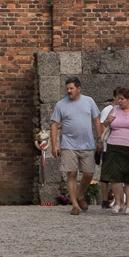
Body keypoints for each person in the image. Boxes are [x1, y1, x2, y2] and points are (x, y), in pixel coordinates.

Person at [50, 77, 102, 215]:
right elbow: (54, 125)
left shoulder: (89, 101)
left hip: (87, 144)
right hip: (69, 144)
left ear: (79, 88)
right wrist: (54, 145)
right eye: (67, 88)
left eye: (71, 88)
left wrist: (100, 139)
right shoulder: (61, 104)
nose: (69, 91)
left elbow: (96, 121)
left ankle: (80, 194)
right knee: (71, 173)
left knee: (89, 173)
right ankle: (74, 205)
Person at [99, 87, 129, 215]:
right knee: (115, 177)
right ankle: (118, 203)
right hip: (114, 146)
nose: (119, 101)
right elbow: (104, 124)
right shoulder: (114, 110)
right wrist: (108, 121)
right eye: (118, 99)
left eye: (122, 99)